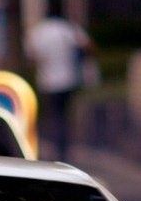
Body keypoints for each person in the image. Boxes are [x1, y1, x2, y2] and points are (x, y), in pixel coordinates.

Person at [23, 12, 93, 161]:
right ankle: (65, 147)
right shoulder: (68, 28)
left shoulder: (38, 31)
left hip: (47, 81)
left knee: (53, 115)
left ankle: (55, 147)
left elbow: (31, 56)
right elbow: (87, 46)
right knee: (65, 114)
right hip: (68, 79)